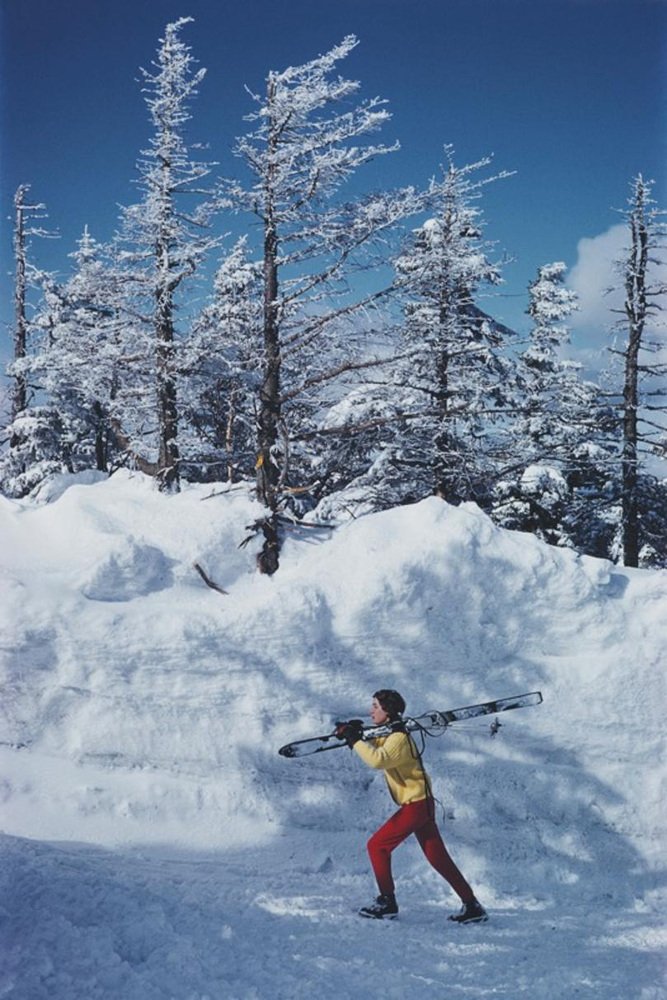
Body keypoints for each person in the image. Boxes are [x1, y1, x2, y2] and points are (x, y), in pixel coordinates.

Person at [335, 688, 487, 923]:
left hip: (416, 805)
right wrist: (357, 732)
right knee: (438, 857)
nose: (371, 711)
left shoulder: (399, 738)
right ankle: (472, 906)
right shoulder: (392, 733)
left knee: (377, 846)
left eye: (375, 706)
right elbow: (378, 745)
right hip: (421, 803)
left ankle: (387, 902)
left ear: (388, 710)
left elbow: (378, 759)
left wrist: (354, 739)